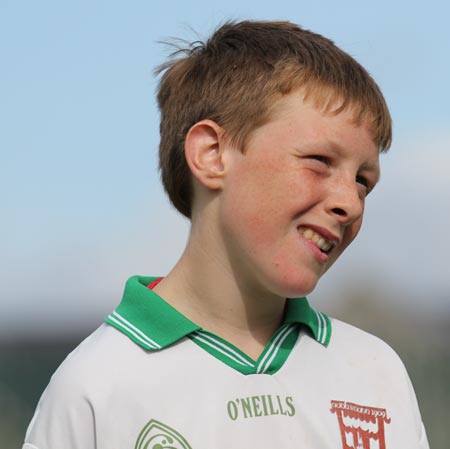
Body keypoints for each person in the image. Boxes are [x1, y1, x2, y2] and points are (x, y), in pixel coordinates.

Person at [23, 20, 429, 449]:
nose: (351, 201)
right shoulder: (94, 387)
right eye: (319, 160)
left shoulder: (375, 372)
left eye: (364, 180)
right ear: (212, 155)